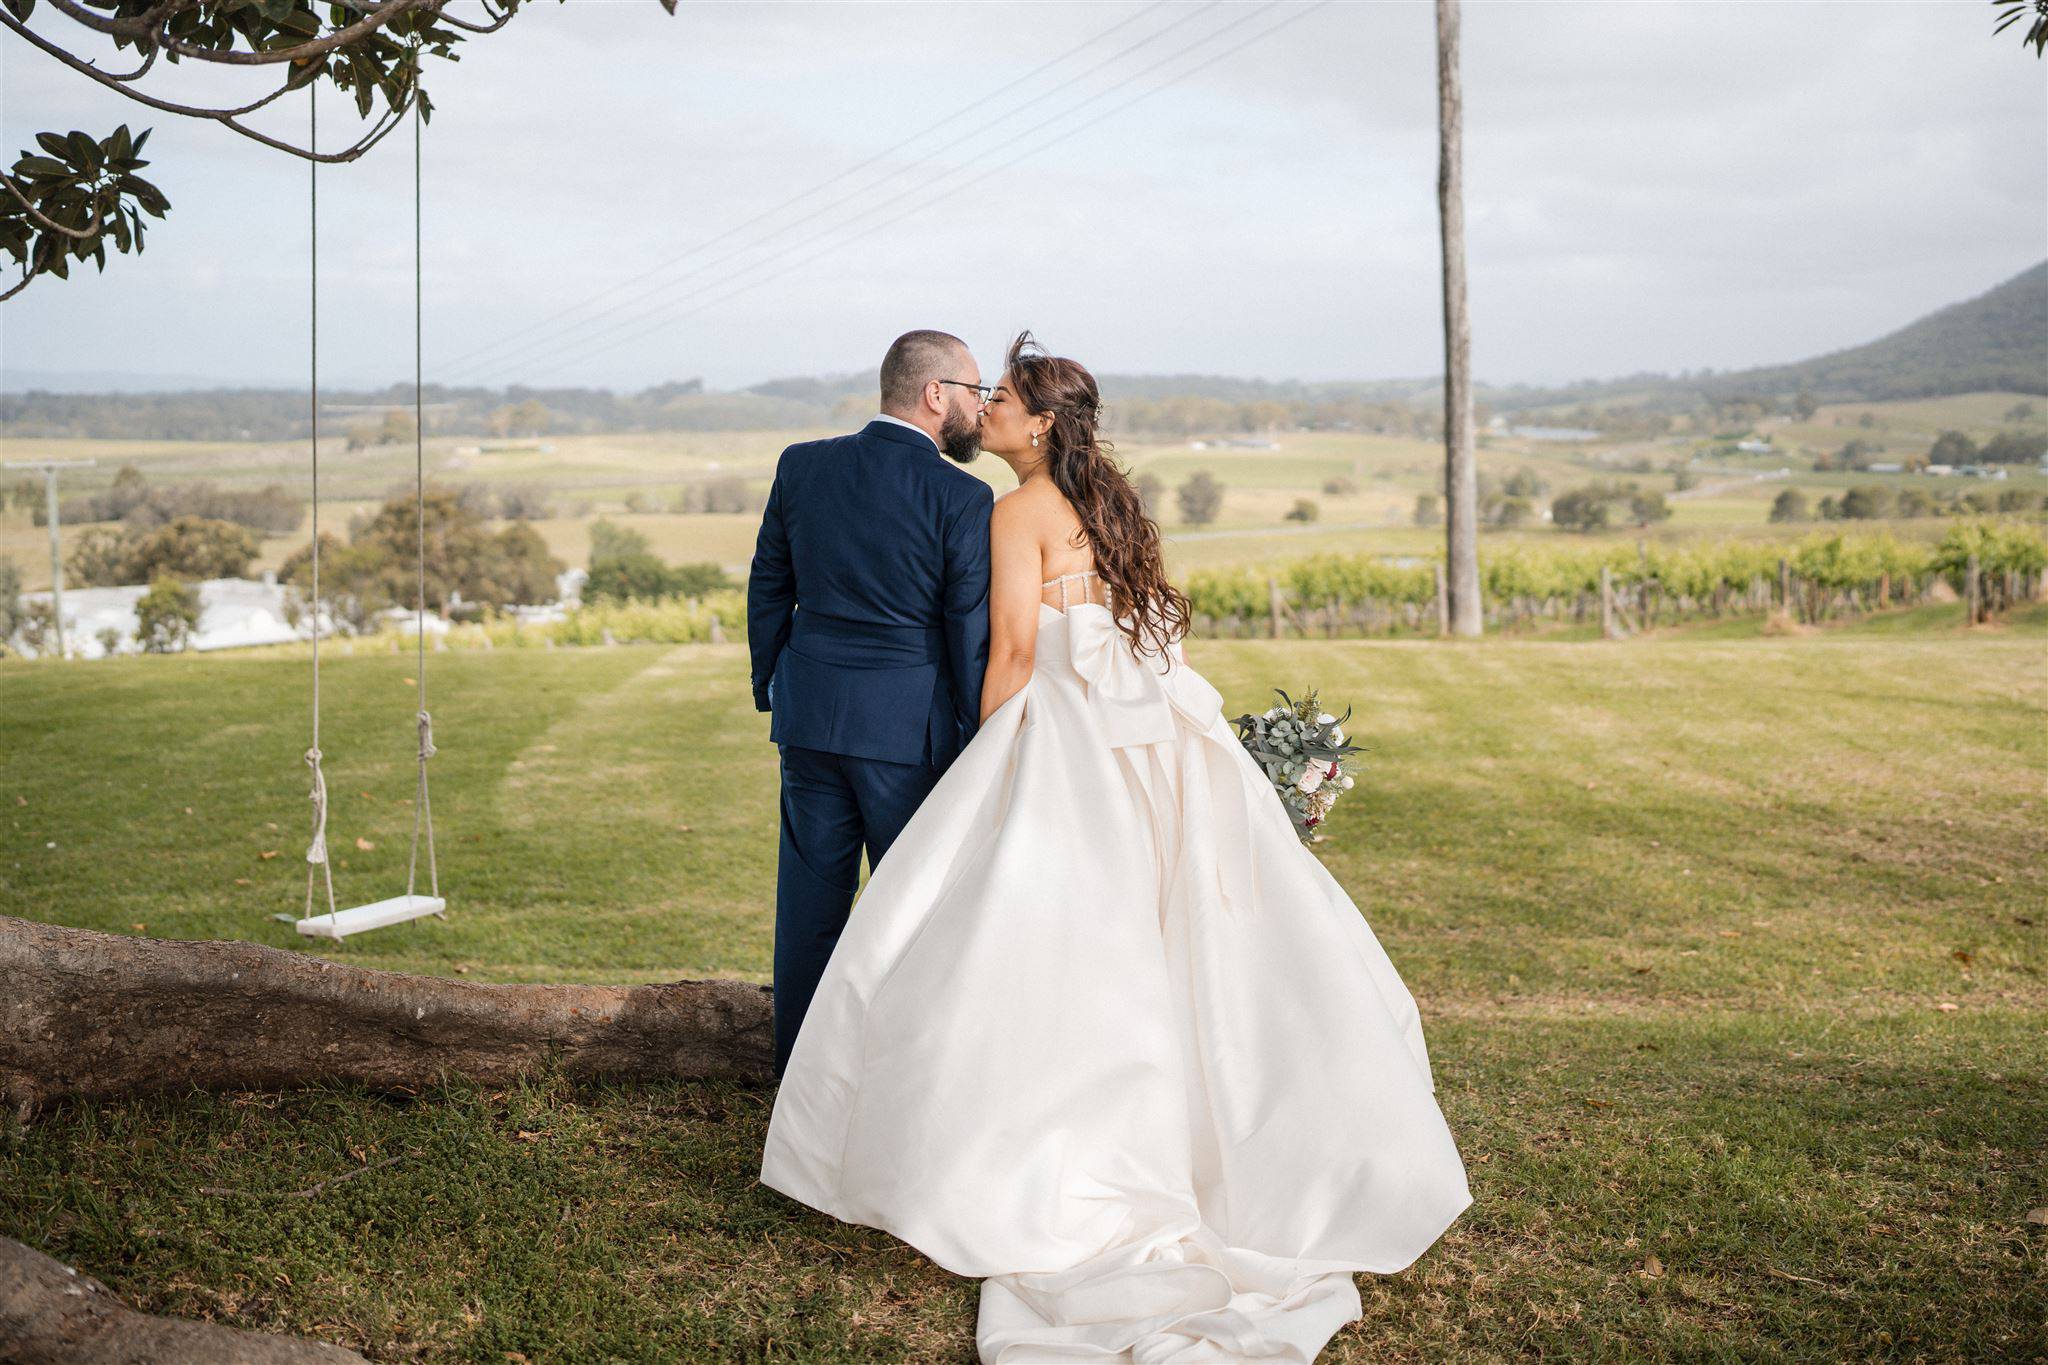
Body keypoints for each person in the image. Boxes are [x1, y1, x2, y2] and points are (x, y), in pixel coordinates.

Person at [759, 332, 1473, 1363]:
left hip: (1056, 748)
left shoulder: (1013, 511)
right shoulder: (1114, 508)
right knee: (1161, 944)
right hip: (1146, 753)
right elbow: (1140, 640)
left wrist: (983, 774)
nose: (985, 409)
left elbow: (1009, 656)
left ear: (1040, 423)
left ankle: (1006, 1150)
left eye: (1000, 397)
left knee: (1027, 946)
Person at [746, 328, 996, 1078]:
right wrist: (978, 730)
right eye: (975, 392)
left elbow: (769, 587)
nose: (980, 410)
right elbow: (967, 627)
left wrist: (775, 686)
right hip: (907, 736)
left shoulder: (803, 465)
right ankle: (895, 1085)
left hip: (811, 721)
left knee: (809, 914)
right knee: (910, 917)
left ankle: (799, 1087)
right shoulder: (962, 494)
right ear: (934, 393)